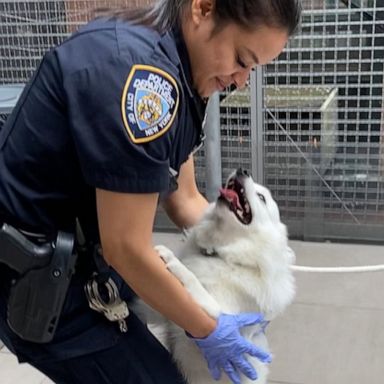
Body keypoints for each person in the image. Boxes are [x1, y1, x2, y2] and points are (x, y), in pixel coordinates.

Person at [0, 0, 301, 383]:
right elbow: (126, 248)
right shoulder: (146, 86)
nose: (241, 80)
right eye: (241, 59)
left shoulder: (182, 71)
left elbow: (185, 199)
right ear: (203, 9)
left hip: (86, 264)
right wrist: (210, 331)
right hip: (43, 287)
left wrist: (253, 263)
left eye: (252, 69)